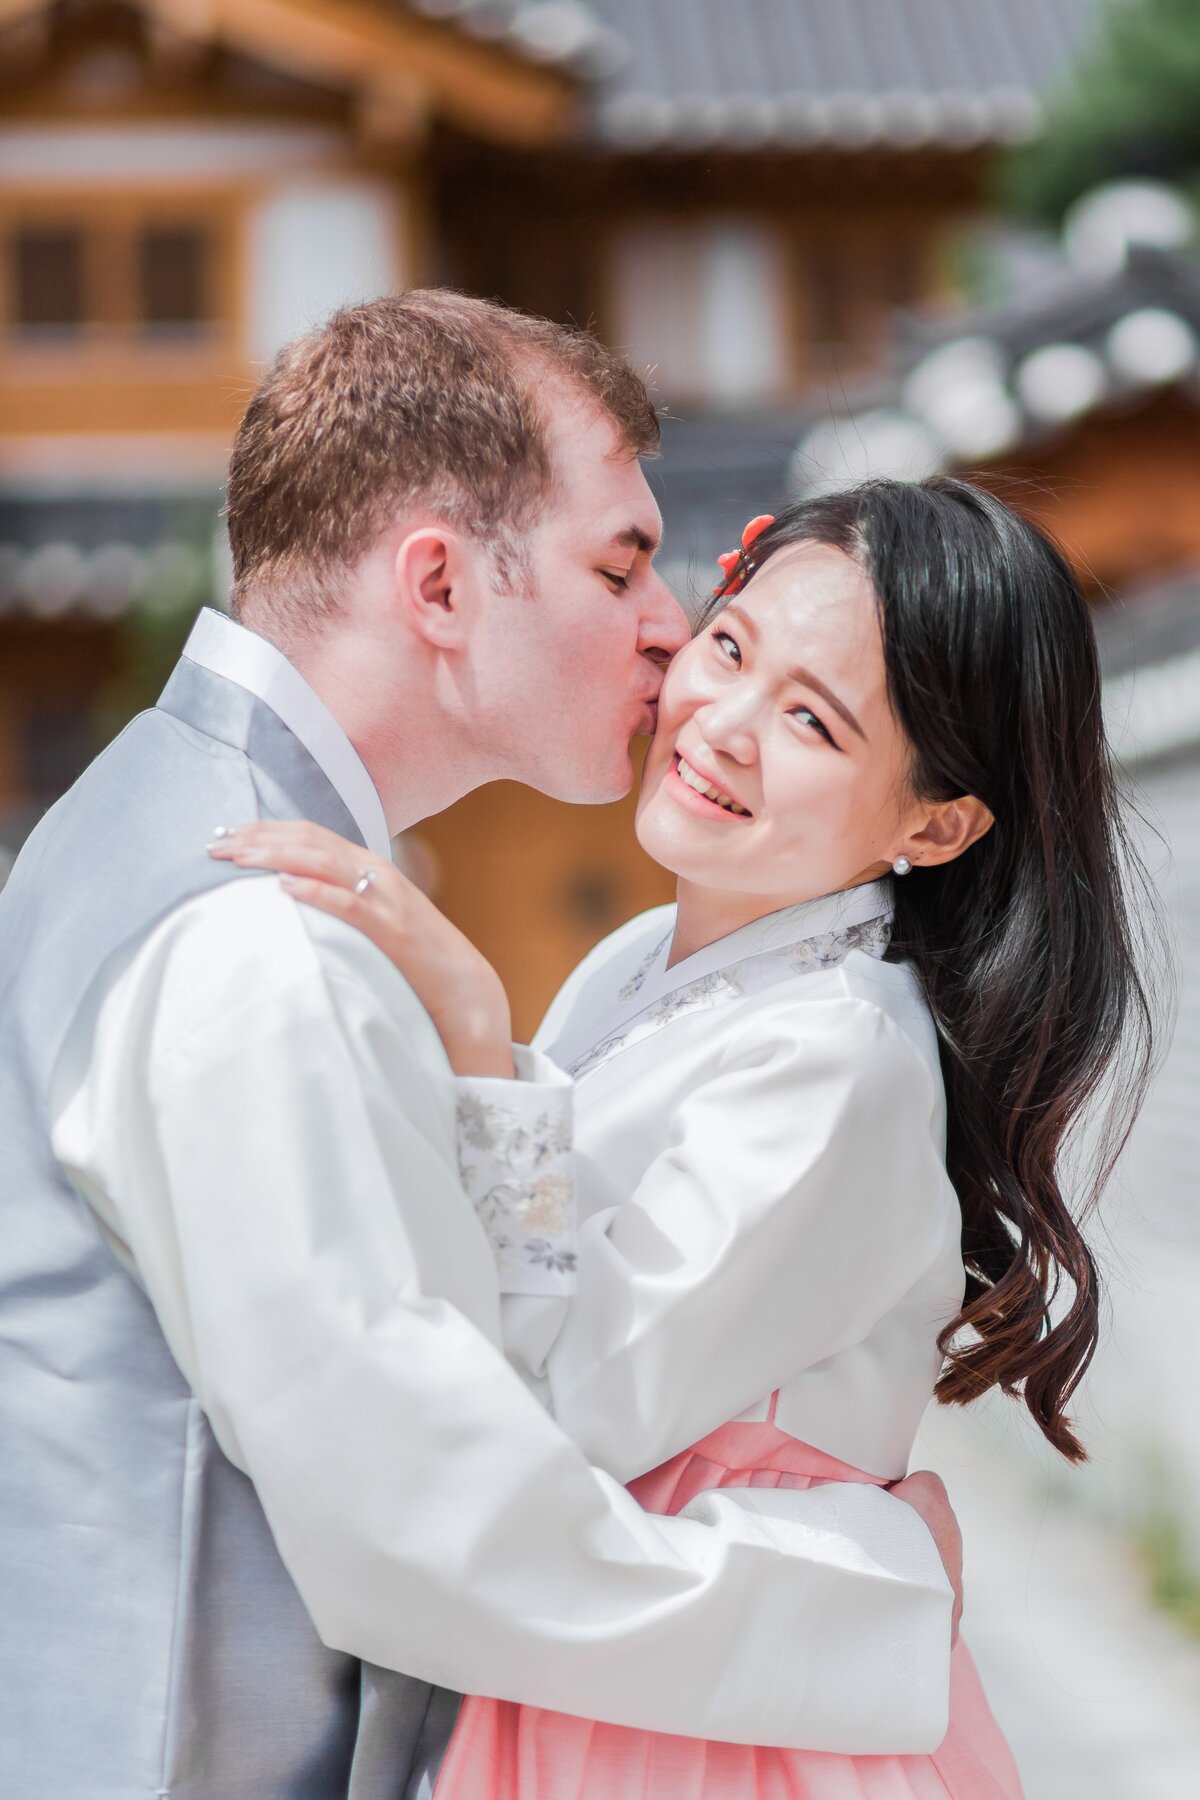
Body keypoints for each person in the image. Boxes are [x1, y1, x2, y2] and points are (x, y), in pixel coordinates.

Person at [0, 294, 962, 1800]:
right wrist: (873, 1599)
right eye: (622, 563)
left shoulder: (141, 814)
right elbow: (422, 1518)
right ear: (440, 585)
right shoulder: (265, 941)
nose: (672, 632)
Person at [224, 476, 1158, 1797]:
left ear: (935, 824)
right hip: (621, 1677)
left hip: (712, 1730)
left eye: (813, 721)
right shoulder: (640, 960)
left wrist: (482, 1042)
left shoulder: (839, 1060)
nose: (724, 726)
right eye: (730, 648)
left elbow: (568, 1409)